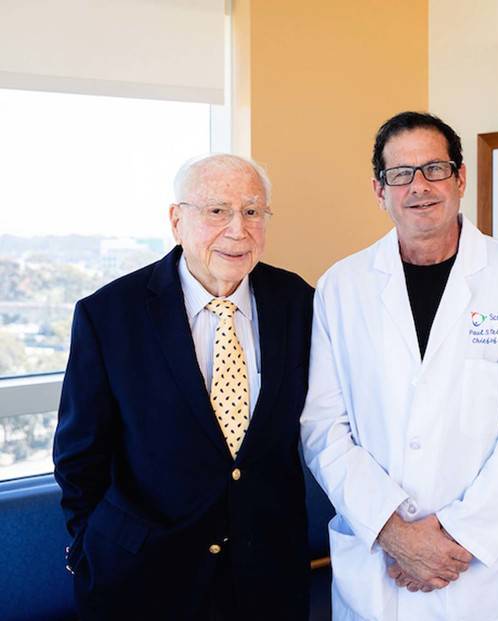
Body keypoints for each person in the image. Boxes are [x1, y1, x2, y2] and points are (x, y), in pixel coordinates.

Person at [300, 111, 498, 620]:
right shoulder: (343, 286)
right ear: (380, 190)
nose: (419, 186)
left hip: (483, 570)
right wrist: (393, 531)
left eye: (434, 169)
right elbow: (323, 428)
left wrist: (457, 536)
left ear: (460, 178)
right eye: (401, 174)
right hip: (379, 563)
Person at [53, 154, 314, 620]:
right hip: (145, 579)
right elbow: (78, 458)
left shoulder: (299, 302)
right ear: (177, 220)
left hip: (267, 578)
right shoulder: (109, 315)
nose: (238, 229)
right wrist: (87, 548)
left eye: (253, 211)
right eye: (217, 211)